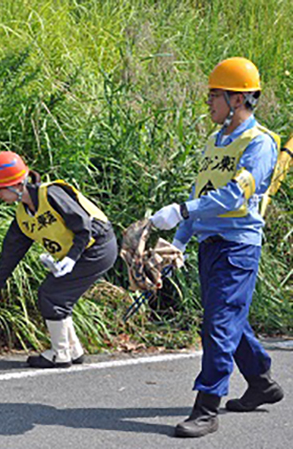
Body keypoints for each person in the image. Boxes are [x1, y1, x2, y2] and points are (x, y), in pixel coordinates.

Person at [151, 57, 285, 438]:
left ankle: (206, 407)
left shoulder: (259, 145)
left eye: (214, 96)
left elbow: (233, 196)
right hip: (209, 245)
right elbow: (203, 194)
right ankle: (261, 382)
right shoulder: (215, 142)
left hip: (238, 249)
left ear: (237, 99)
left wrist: (179, 211)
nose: (209, 103)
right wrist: (177, 242)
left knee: (218, 324)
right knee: (227, 320)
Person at [0, 151, 117, 368]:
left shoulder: (51, 194)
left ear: (17, 185)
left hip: (98, 247)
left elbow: (84, 227)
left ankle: (60, 353)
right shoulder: (23, 216)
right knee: (58, 294)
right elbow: (11, 253)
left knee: (52, 294)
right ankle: (73, 349)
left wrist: (71, 259)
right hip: (79, 254)